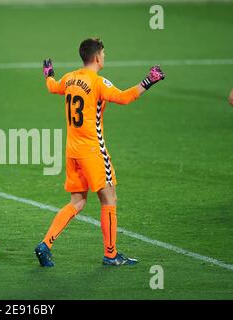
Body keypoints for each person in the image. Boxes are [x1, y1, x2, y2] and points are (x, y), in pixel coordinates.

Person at [35, 38, 165, 267]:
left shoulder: (70, 78)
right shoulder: (98, 82)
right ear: (96, 57)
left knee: (77, 201)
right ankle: (111, 254)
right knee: (109, 197)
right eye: (103, 54)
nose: (105, 57)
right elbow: (124, 98)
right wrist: (149, 81)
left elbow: (52, 87)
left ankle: (46, 244)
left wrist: (48, 74)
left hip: (72, 151)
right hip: (92, 151)